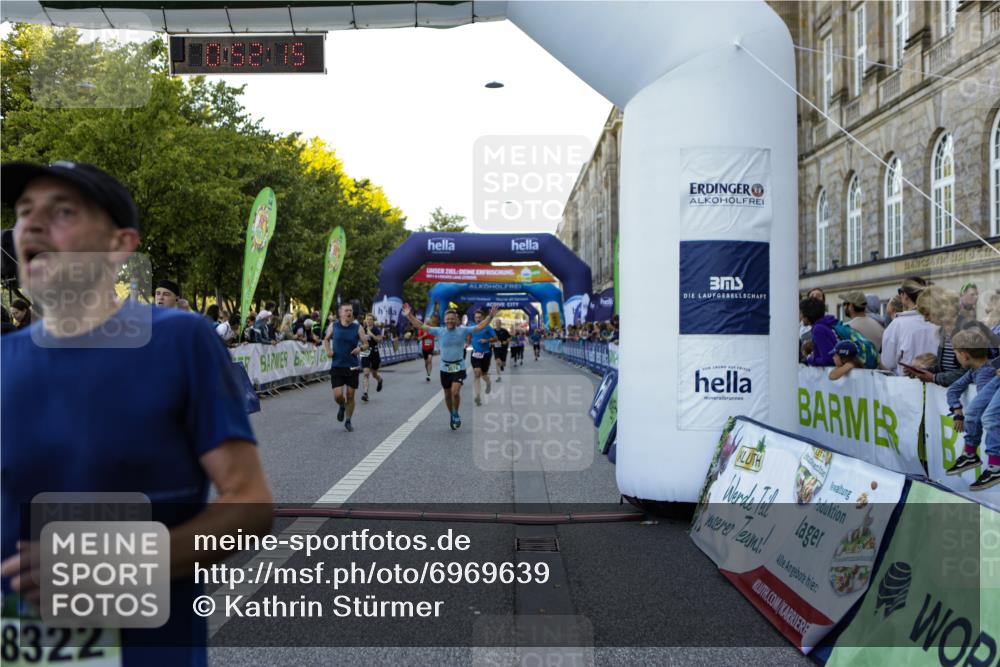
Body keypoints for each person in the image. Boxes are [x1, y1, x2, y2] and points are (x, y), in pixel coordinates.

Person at [0, 160, 272, 666]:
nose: (31, 225)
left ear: (121, 246)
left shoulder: (179, 340)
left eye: (62, 211)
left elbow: (250, 506)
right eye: (22, 212)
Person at [401, 303, 498, 430]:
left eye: (452, 319)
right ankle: (452, 414)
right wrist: (409, 316)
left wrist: (490, 316)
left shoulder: (463, 330)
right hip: (445, 368)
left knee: (455, 392)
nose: (450, 321)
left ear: (456, 320)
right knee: (447, 395)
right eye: (448, 319)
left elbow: (480, 326)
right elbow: (421, 325)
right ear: (444, 321)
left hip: (458, 365)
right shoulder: (439, 331)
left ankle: (456, 413)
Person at [944, 329, 1000, 491]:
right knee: (975, 411)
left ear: (964, 355)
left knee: (987, 416)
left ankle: (995, 466)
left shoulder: (987, 371)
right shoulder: (973, 371)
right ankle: (970, 454)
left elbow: (987, 406)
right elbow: (953, 389)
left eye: (955, 354)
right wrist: (957, 410)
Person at [323, 302, 369, 432]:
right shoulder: (334, 326)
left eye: (350, 310)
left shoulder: (357, 327)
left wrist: (359, 348)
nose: (349, 313)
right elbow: (326, 339)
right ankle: (342, 406)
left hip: (352, 366)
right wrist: (328, 351)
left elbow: (366, 344)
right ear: (340, 313)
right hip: (337, 365)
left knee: (350, 394)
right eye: (346, 311)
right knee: (338, 396)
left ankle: (348, 420)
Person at [880, 278, 939, 375]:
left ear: (905, 295)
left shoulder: (897, 325)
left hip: (905, 385)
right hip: (936, 384)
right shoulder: (938, 322)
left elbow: (887, 363)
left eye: (900, 292)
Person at [469, 309, 498, 406]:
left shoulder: (488, 327)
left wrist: (487, 340)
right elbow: (468, 338)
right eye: (476, 317)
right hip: (475, 354)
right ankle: (477, 396)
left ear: (482, 318)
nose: (477, 319)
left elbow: (495, 338)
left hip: (486, 354)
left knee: (483, 374)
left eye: (479, 317)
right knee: (477, 373)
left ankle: (488, 382)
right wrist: (466, 342)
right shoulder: (472, 328)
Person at [801, 297, 838, 367]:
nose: (801, 316)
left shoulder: (818, 329)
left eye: (802, 313)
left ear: (808, 315)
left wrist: (810, 359)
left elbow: (828, 359)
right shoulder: (825, 325)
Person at [359, 313, 384, 403]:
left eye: (370, 319)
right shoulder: (362, 329)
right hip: (365, 352)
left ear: (373, 321)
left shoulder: (376, 329)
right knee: (366, 373)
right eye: (367, 319)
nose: (369, 321)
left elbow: (380, 340)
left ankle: (380, 379)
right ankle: (365, 393)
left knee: (374, 374)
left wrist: (371, 334)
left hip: (374, 352)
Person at [417, 315, 438, 382]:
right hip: (424, 348)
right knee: (426, 363)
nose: (428, 324)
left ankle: (429, 375)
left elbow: (437, 335)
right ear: (425, 323)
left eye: (429, 322)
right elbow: (419, 338)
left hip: (431, 348)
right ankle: (427, 372)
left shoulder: (433, 329)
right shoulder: (422, 329)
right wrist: (424, 335)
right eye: (427, 323)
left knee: (430, 360)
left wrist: (436, 338)